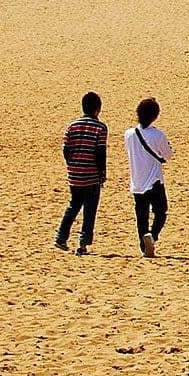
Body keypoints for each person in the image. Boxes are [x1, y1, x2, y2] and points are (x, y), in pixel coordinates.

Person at [55, 92, 108, 254]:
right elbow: (100, 152)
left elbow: (66, 149)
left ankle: (61, 237)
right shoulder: (100, 128)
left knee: (73, 206)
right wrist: (102, 173)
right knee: (90, 210)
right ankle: (83, 243)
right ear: (98, 109)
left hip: (75, 175)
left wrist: (72, 165)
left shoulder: (72, 126)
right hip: (91, 176)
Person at [125, 98, 173, 257]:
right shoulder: (157, 134)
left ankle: (143, 244)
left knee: (141, 215)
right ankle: (152, 236)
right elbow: (168, 155)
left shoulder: (129, 134)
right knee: (161, 211)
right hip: (154, 180)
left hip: (136, 181)